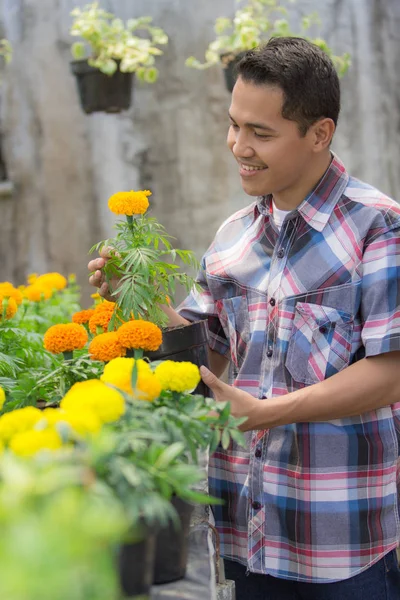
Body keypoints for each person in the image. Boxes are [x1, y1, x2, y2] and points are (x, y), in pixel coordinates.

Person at [88, 37, 400, 599]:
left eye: (261, 133)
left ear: (319, 134)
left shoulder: (377, 228)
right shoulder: (233, 237)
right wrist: (134, 293)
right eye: (234, 126)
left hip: (339, 544)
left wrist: (263, 413)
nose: (239, 146)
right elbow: (196, 353)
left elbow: (392, 371)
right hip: (245, 532)